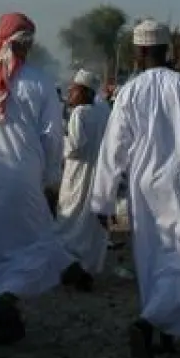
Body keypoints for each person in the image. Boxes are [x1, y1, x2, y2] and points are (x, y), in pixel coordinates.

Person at [89, 18, 180, 358]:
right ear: (166, 49)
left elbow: (113, 147)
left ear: (139, 51)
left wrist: (102, 200)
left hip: (143, 188)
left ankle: (162, 330)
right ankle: (150, 326)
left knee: (151, 260)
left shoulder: (129, 91)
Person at [0, 12, 88, 345]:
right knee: (35, 241)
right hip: (27, 179)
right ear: (27, 45)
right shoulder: (41, 82)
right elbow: (52, 138)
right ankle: (16, 291)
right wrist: (49, 178)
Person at [55, 69, 112, 278]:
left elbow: (75, 146)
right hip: (97, 173)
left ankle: (69, 263)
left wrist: (58, 142)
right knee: (89, 221)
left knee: (69, 216)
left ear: (85, 93)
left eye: (74, 91)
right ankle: (88, 265)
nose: (70, 94)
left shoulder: (80, 113)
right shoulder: (102, 111)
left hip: (78, 173)